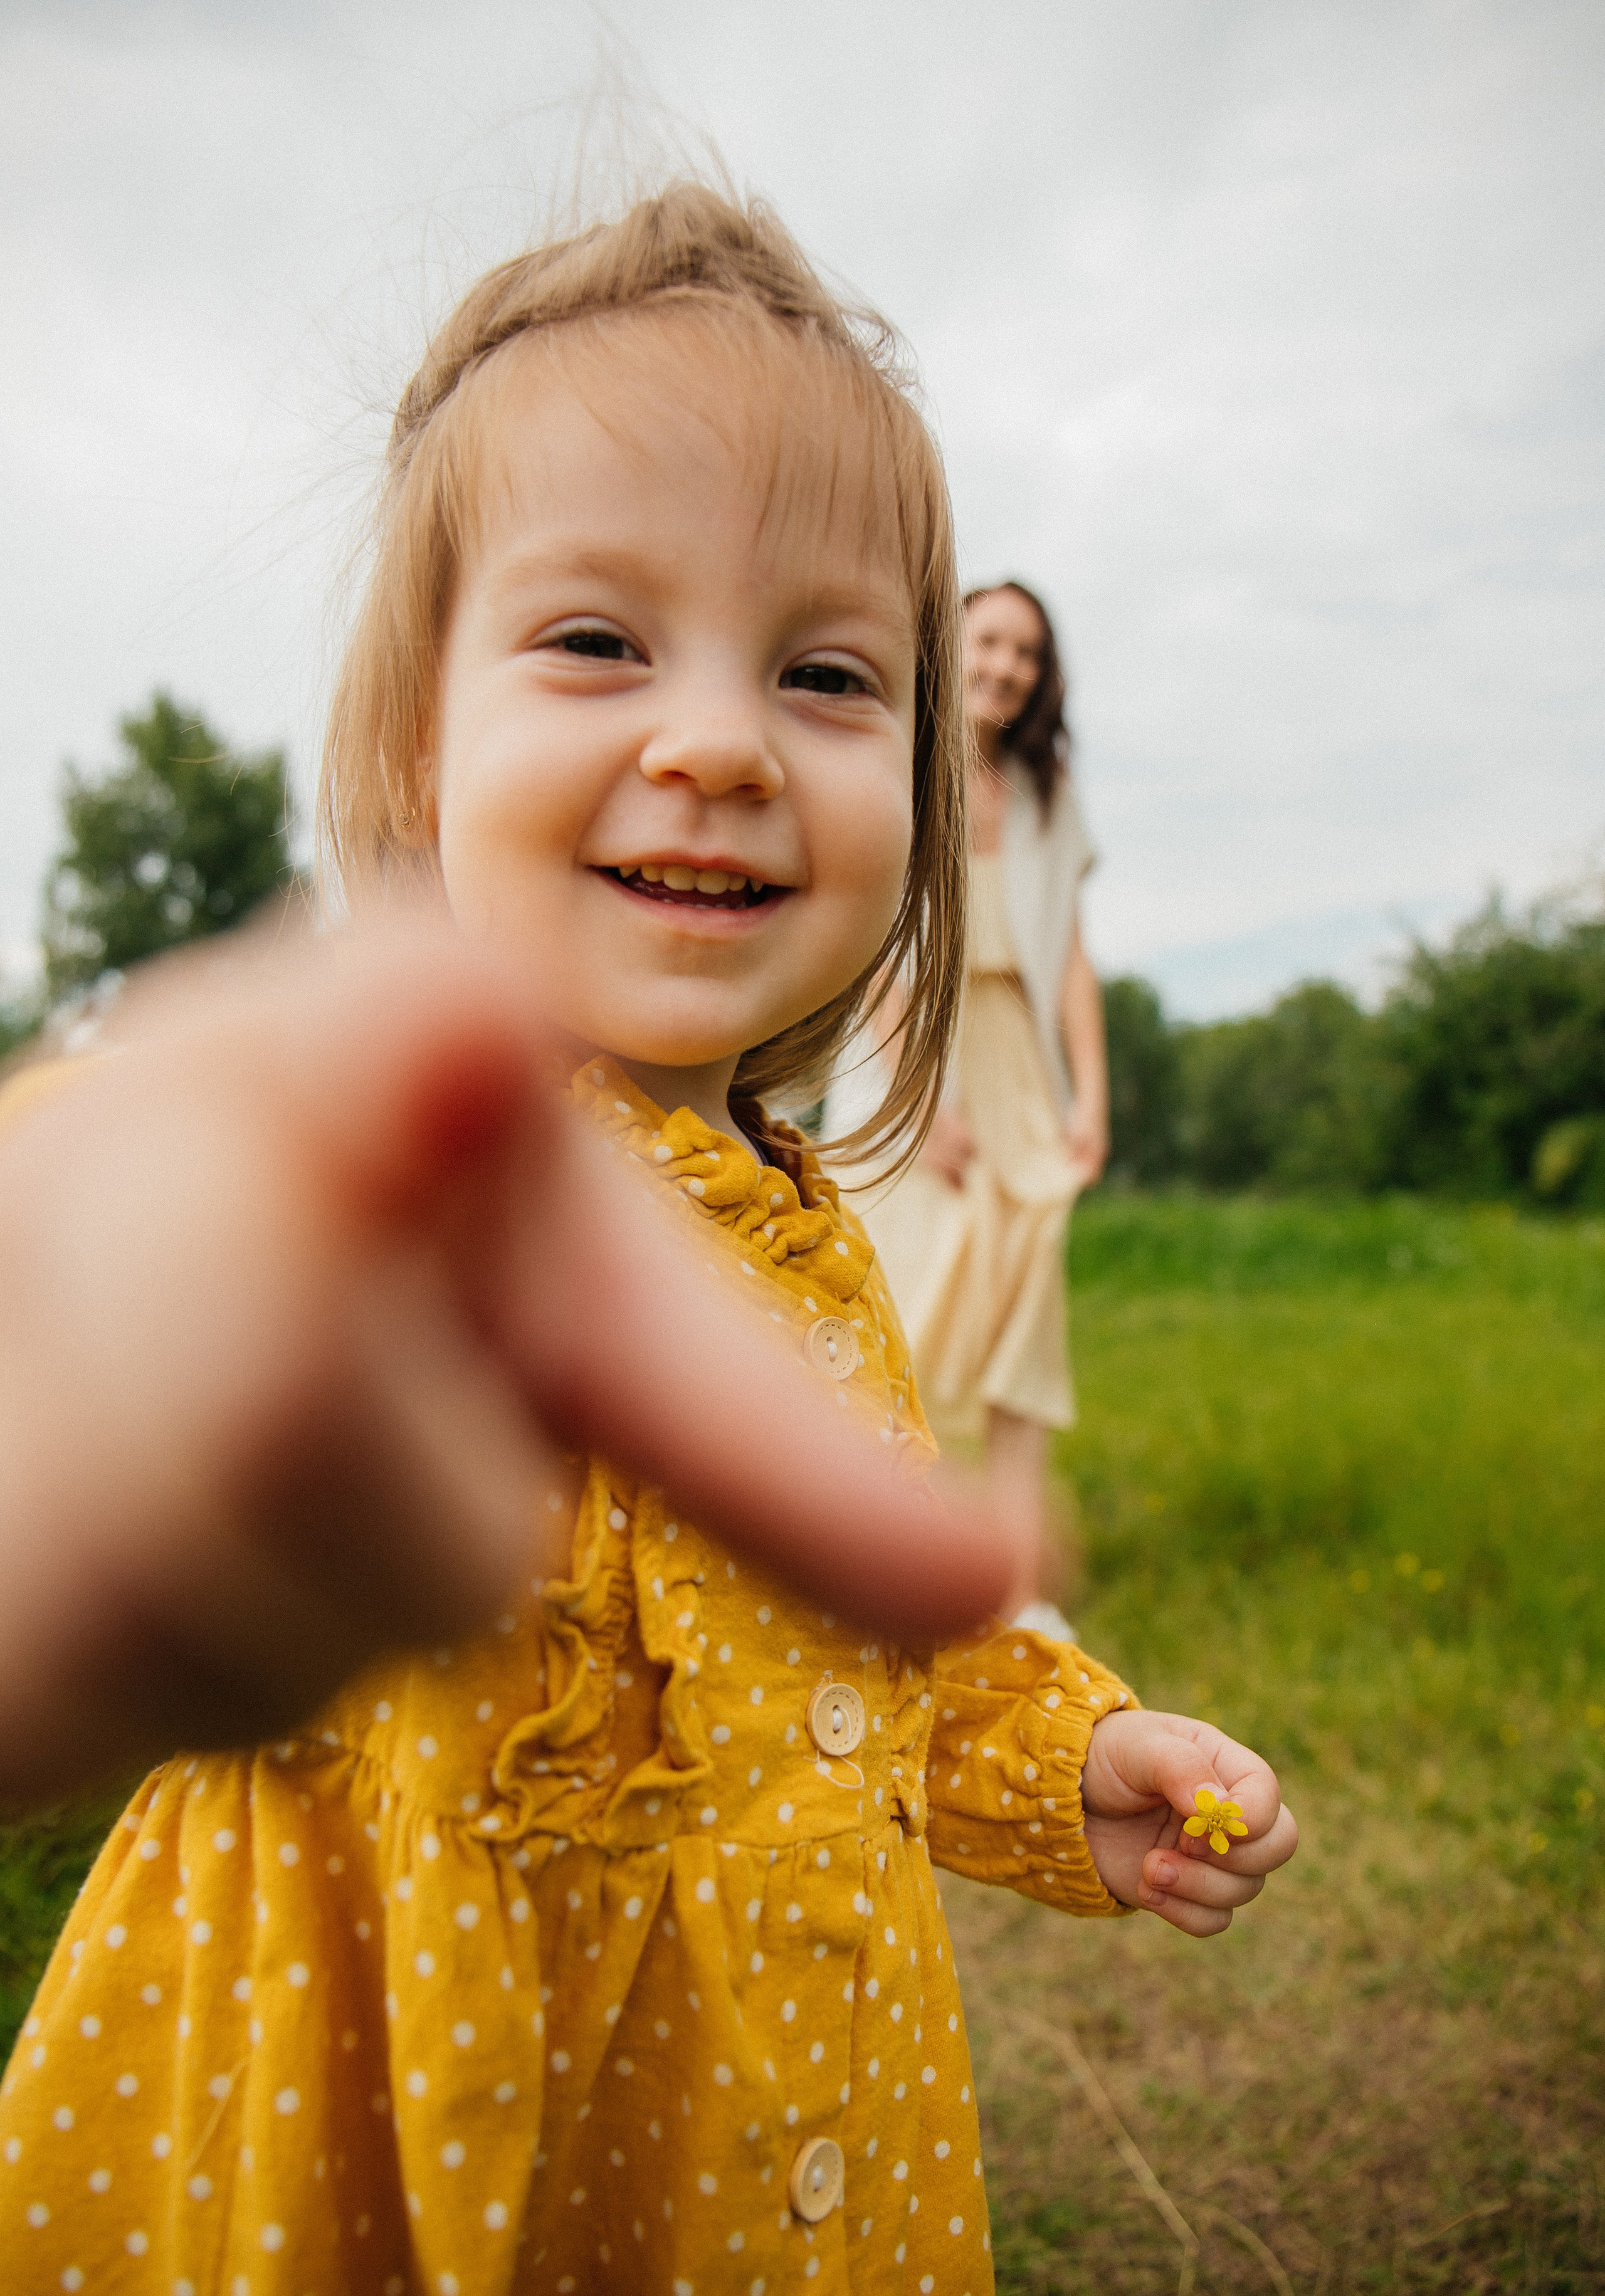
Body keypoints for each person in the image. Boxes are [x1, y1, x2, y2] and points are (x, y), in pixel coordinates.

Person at [0, 184, 1295, 2296]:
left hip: (795, 2172)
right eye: (598, 638)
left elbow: (861, 1668)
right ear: (424, 736)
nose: (715, 741)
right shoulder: (390, 1196)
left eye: (825, 672)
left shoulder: (812, 1238)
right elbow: (135, 1245)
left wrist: (1075, 1761)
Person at [827, 581, 1107, 1627]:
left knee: (1024, 1317)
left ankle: (1022, 1594)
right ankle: (875, 1557)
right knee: (896, 1300)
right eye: (989, 641)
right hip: (920, 1063)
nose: (1005, 665)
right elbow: (868, 947)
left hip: (1019, 1071)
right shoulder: (903, 761)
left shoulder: (1047, 793)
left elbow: (1073, 956)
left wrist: (1092, 1096)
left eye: (1027, 652)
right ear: (955, 643)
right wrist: (915, 1103)